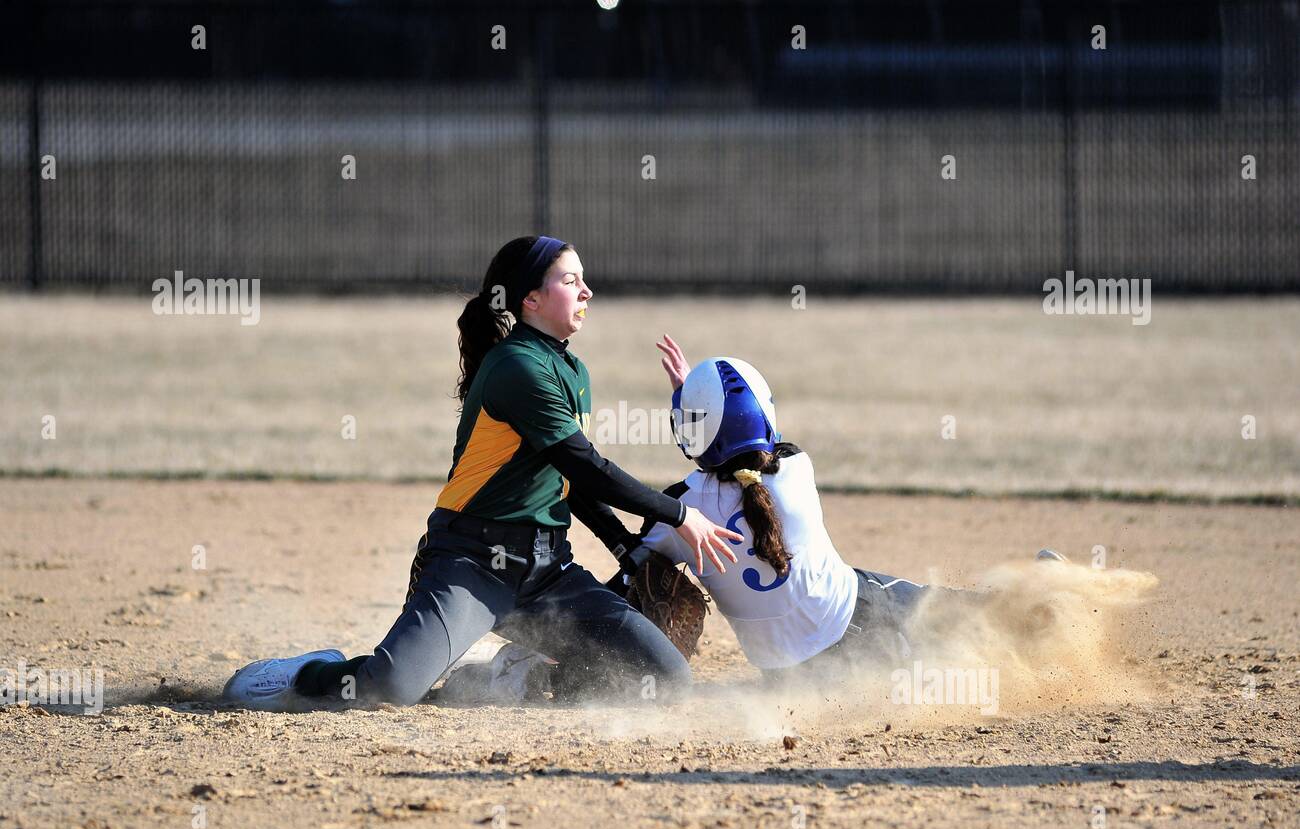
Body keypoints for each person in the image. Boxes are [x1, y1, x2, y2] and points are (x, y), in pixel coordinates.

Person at [222, 236, 742, 709]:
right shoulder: (518, 366)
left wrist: (621, 544)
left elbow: (566, 476)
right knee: (388, 689)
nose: (587, 290)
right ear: (530, 301)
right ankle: (303, 673)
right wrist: (678, 515)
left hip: (548, 575)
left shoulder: (572, 370)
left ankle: (512, 678)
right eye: (570, 280)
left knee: (664, 677)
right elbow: (587, 466)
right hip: (470, 567)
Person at [614, 335, 1065, 688]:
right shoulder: (794, 471)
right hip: (864, 624)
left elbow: (625, 578)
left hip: (787, 681)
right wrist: (700, 401)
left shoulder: (676, 514)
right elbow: (753, 452)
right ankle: (1035, 609)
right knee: (939, 612)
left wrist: (690, 402)